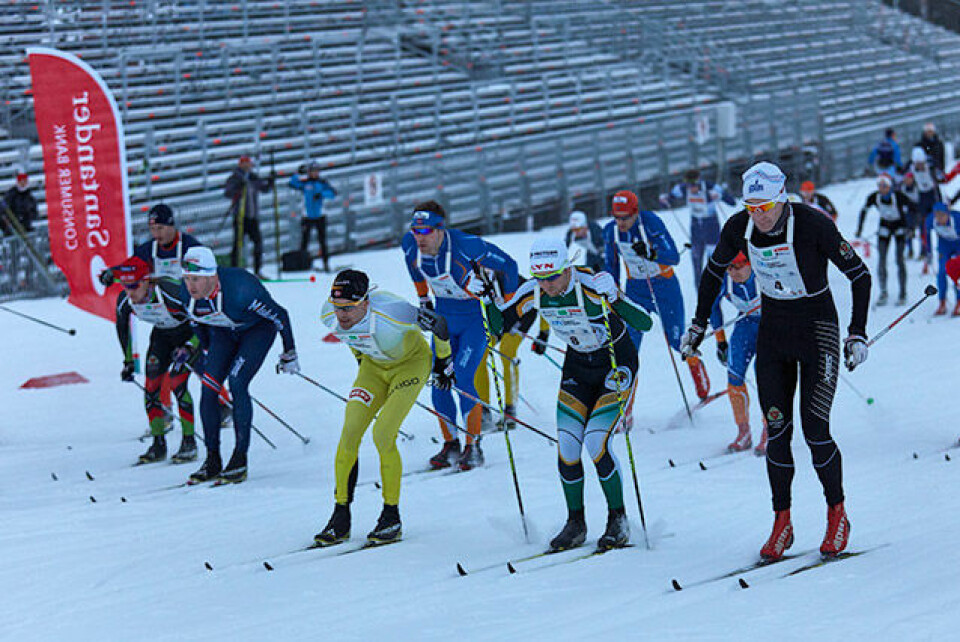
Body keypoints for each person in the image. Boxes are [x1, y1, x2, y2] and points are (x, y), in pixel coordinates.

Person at [681, 161, 871, 562]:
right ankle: (782, 521)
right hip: (774, 335)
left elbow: (859, 275)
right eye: (751, 207)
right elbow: (712, 273)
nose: (759, 215)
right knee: (777, 432)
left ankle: (837, 513)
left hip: (817, 331)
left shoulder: (813, 224)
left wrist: (857, 332)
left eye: (765, 206)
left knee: (816, 430)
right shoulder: (740, 226)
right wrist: (699, 324)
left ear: (781, 199)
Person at [485, 238, 652, 552]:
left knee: (596, 441)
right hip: (577, 367)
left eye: (553, 277)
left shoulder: (590, 285)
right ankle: (576, 522)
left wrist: (615, 296)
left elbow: (644, 322)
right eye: (541, 277)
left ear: (568, 269)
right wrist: (487, 302)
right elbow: (500, 325)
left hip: (615, 364)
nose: (547, 285)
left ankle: (618, 518)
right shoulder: (533, 290)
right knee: (568, 445)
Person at [314, 270, 454, 547]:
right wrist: (361, 360)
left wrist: (443, 363)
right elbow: (352, 339)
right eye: (337, 307)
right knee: (349, 432)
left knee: (383, 433)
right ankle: (340, 515)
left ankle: (391, 516)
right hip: (373, 370)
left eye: (349, 308)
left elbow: (440, 324)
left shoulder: (393, 311)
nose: (341, 314)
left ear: (366, 302)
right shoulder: (327, 315)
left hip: (410, 366)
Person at [402, 200, 519, 470]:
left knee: (464, 377)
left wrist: (505, 304)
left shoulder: (467, 245)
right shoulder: (410, 246)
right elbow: (414, 270)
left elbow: (509, 265)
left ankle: (473, 446)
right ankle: (450, 443)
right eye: (416, 231)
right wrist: (423, 300)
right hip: (443, 321)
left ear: (441, 229)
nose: (420, 237)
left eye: (427, 231)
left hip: (473, 321)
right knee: (439, 379)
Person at [179, 246, 299, 484]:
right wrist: (204, 348)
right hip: (223, 333)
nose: (190, 286)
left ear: (212, 277)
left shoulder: (241, 290)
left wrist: (289, 352)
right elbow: (196, 322)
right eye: (187, 278)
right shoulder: (186, 295)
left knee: (237, 382)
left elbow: (280, 315)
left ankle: (239, 458)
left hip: (257, 331)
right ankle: (212, 459)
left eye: (196, 279)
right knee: (208, 388)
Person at [603, 190, 712, 401]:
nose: (621, 222)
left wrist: (652, 253)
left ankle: (698, 374)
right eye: (617, 217)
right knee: (628, 350)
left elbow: (673, 257)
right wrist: (611, 293)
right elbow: (612, 267)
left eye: (625, 217)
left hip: (664, 287)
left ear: (635, 212)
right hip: (636, 291)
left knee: (676, 340)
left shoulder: (650, 223)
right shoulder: (611, 232)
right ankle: (626, 406)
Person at [114, 256, 200, 465]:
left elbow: (201, 319)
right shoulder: (126, 300)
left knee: (177, 384)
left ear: (146, 281)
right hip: (162, 336)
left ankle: (189, 442)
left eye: (134, 285)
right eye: (125, 286)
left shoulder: (170, 293)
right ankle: (158, 444)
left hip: (188, 334)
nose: (130, 292)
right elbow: (123, 328)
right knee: (151, 388)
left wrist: (189, 347)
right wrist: (128, 362)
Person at [708, 252, 766, 456]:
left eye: (740, 267)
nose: (734, 272)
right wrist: (720, 341)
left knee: (767, 378)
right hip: (745, 326)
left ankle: (771, 431)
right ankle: (743, 431)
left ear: (750, 264)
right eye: (730, 268)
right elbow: (713, 308)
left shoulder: (763, 274)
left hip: (772, 326)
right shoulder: (725, 280)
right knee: (734, 375)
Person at [659, 168, 736, 289]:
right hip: (696, 229)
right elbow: (668, 200)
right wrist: (665, 199)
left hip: (711, 227)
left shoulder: (710, 187)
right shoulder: (683, 188)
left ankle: (716, 289)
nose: (692, 189)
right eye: (689, 186)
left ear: (699, 182)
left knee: (713, 262)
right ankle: (699, 292)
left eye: (694, 185)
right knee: (696, 262)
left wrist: (720, 196)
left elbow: (732, 202)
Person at [100, 204, 203, 285]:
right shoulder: (149, 249)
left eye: (160, 228)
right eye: (152, 229)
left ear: (171, 226)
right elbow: (132, 267)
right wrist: (113, 273)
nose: (156, 233)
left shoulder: (189, 246)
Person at [856, 174, 913, 306]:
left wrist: (910, 228)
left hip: (899, 227)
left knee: (899, 259)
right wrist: (859, 228)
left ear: (890, 186)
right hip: (884, 227)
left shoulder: (899, 196)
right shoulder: (874, 197)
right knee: (881, 260)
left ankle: (903, 293)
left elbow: (913, 209)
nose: (882, 189)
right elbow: (863, 211)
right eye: (880, 186)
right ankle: (883, 291)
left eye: (885, 186)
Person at [224, 155, 274, 277]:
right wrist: (238, 187)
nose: (247, 167)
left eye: (249, 164)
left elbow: (264, 188)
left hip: (252, 216)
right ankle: (235, 271)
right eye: (245, 164)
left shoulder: (253, 178)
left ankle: (257, 270)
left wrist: (271, 181)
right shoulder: (235, 178)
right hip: (240, 216)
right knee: (238, 244)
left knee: (258, 242)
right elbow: (228, 192)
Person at [289, 161, 337, 271]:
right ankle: (302, 263)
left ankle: (325, 263)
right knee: (305, 241)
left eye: (316, 171)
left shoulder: (322, 183)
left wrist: (321, 194)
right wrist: (298, 173)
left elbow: (333, 193)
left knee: (322, 241)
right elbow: (292, 183)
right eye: (312, 171)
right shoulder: (305, 183)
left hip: (320, 215)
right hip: (307, 216)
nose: (314, 173)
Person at [923, 202, 960, 316]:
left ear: (947, 214)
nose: (939, 218)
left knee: (957, 273)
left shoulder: (957, 219)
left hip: (958, 245)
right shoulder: (930, 220)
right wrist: (928, 252)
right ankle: (942, 302)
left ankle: (959, 302)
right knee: (942, 272)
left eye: (942, 215)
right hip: (944, 245)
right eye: (937, 215)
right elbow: (927, 236)